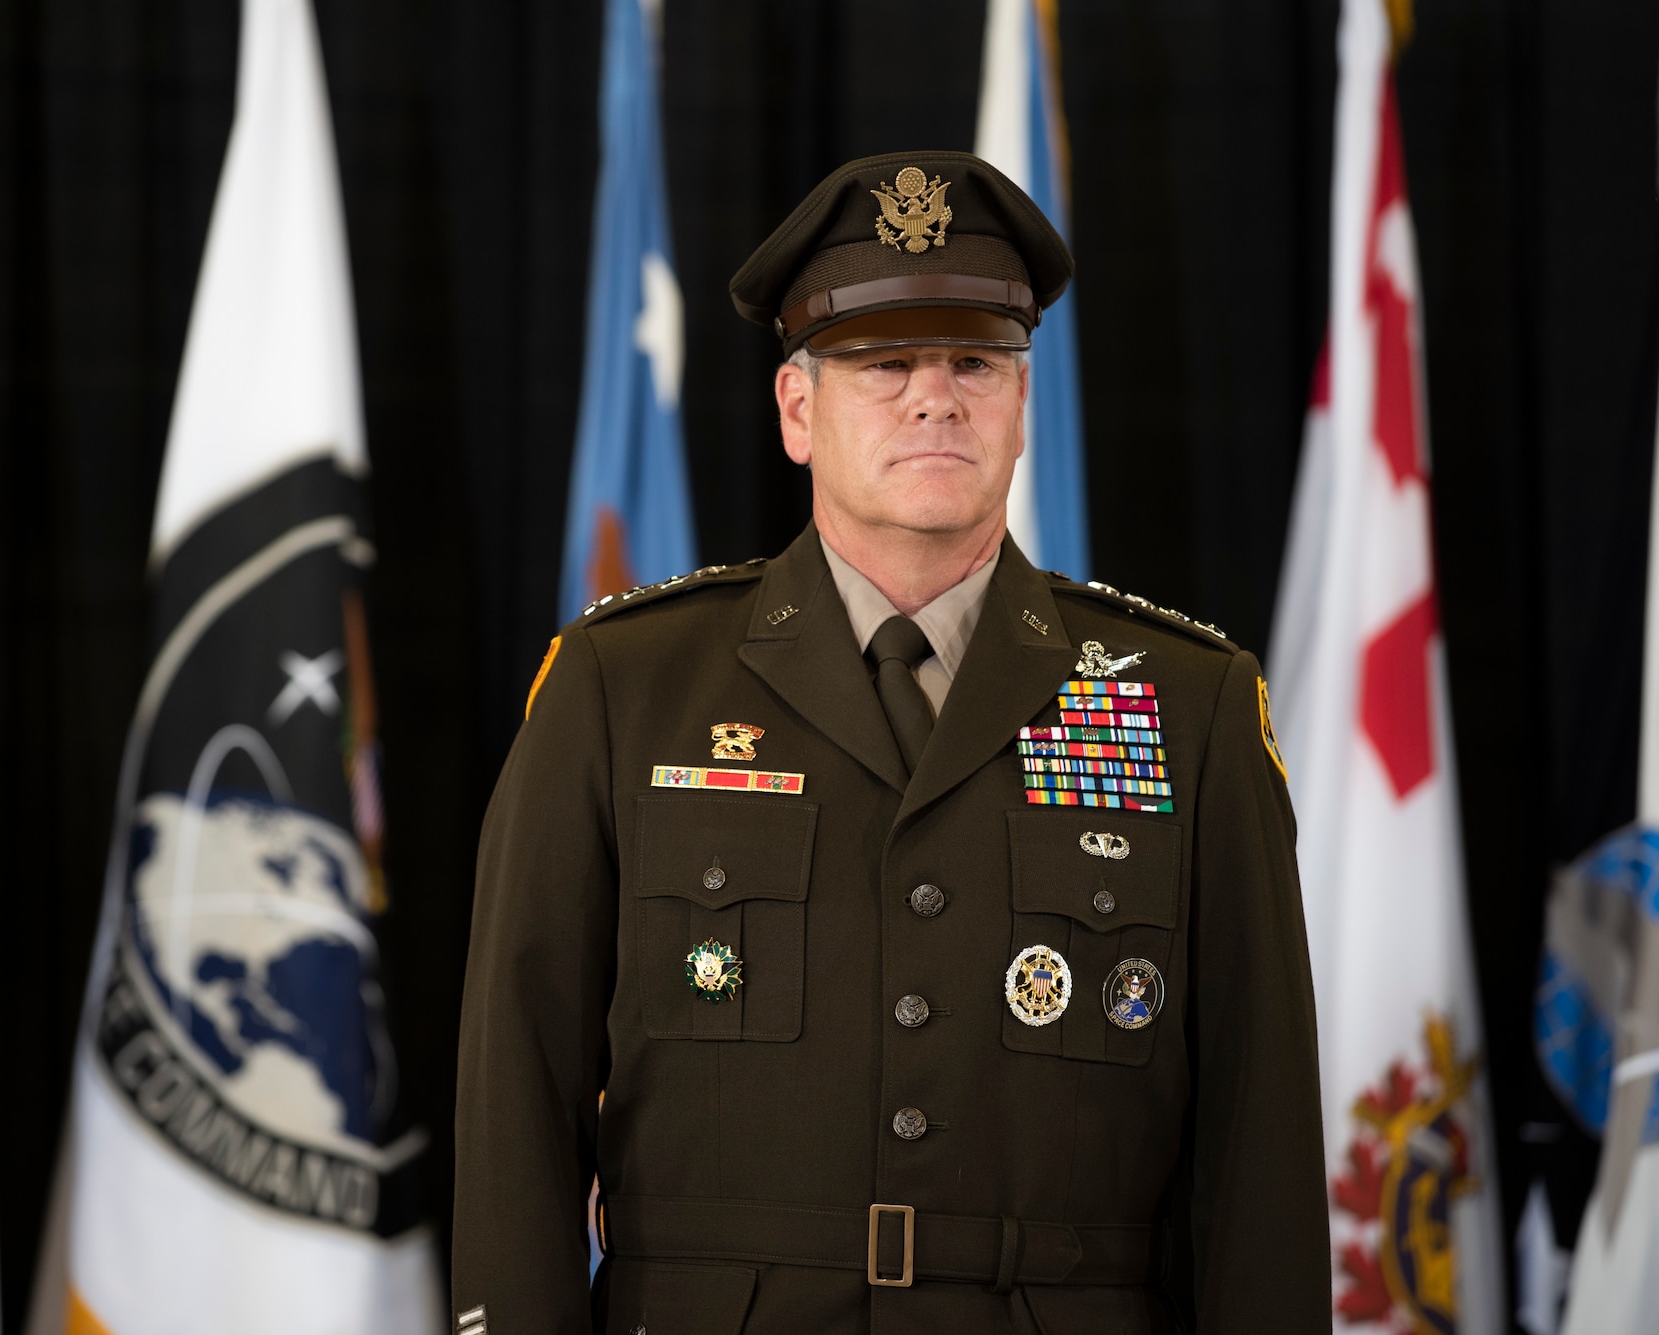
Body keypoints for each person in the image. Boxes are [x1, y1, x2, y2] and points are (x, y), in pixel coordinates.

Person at [452, 150, 1329, 1334]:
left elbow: (1258, 1144)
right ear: (796, 411)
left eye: (974, 360)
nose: (935, 396)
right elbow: (516, 1092)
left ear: (1021, 404)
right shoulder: (622, 690)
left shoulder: (1189, 709)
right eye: (882, 363)